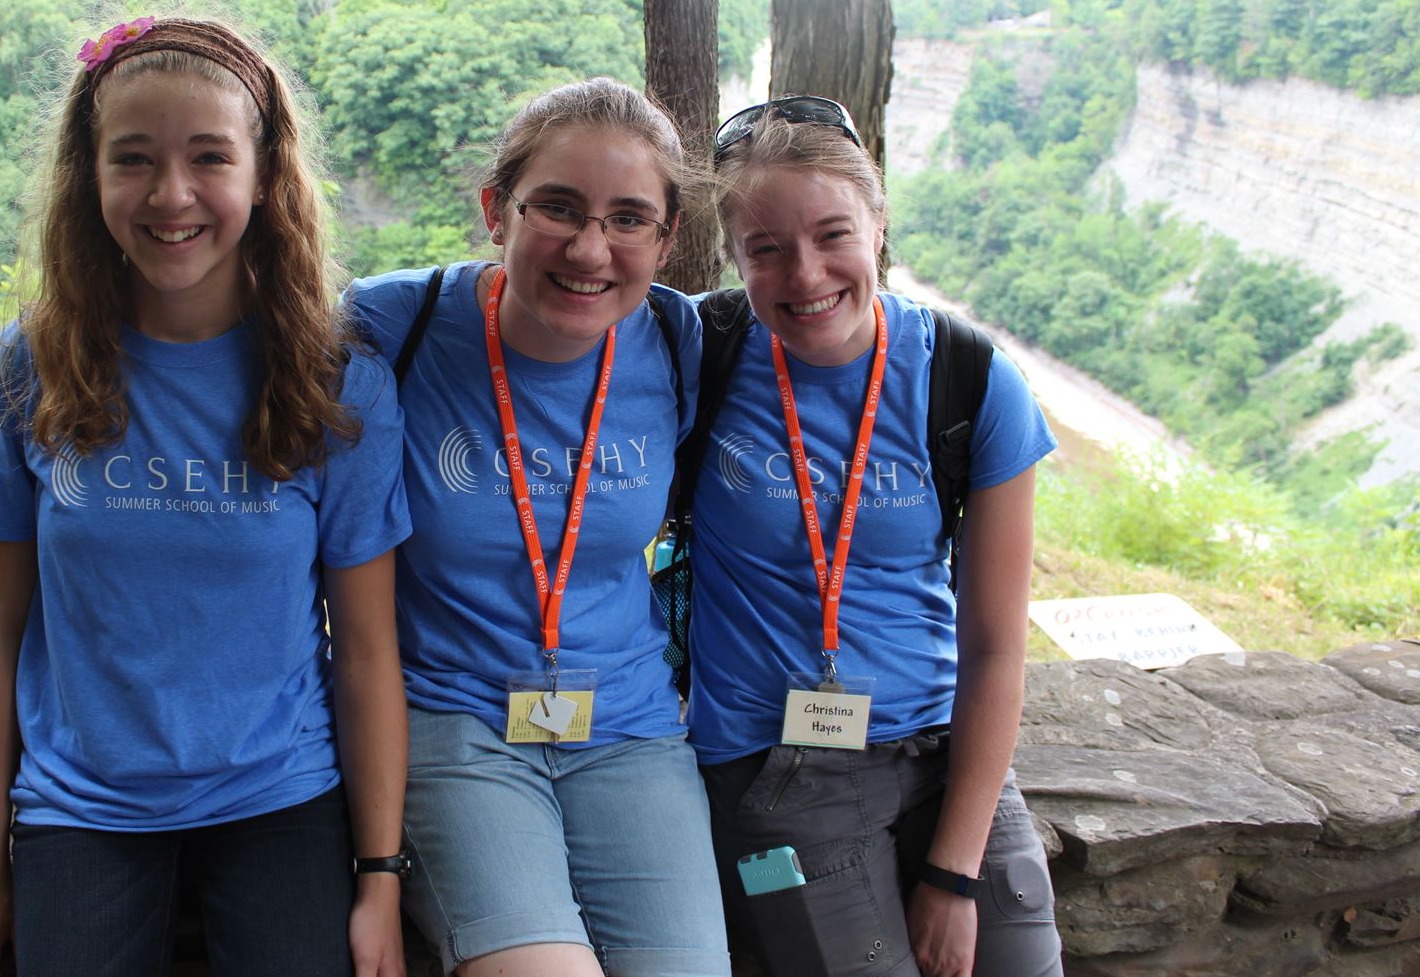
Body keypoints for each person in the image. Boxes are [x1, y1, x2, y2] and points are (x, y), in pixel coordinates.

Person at [0, 15, 412, 977]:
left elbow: (367, 650)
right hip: (83, 799)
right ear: (89, 176)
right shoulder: (33, 366)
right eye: (134, 159)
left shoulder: (333, 382)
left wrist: (379, 880)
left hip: (278, 791)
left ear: (263, 172)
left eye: (209, 156)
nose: (171, 195)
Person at [346, 77, 731, 977]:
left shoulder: (679, 341)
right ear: (496, 211)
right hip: (453, 722)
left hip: (629, 726)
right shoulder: (392, 326)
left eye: (629, 219)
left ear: (667, 239)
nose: (590, 248)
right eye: (557, 207)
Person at [686, 97, 1063, 977]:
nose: (805, 274)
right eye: (765, 249)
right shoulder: (698, 352)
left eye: (833, 235)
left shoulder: (967, 378)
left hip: (943, 752)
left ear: (879, 223)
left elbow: (997, 646)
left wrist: (954, 874)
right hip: (772, 766)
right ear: (733, 255)